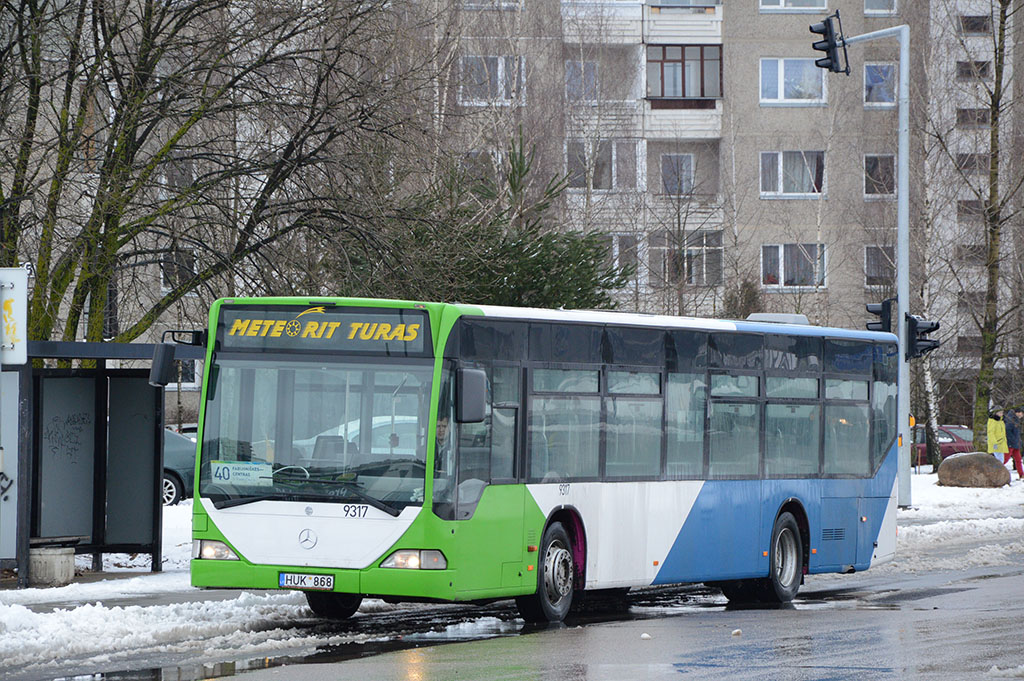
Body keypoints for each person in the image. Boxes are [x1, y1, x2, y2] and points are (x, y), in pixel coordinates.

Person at [1004, 408, 1024, 480]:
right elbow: (1008, 431)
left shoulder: (1015, 420)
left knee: (1018, 459)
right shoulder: (1011, 420)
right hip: (1010, 443)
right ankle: (996, 470)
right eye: (1022, 413)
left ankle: (1021, 474)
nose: (1022, 415)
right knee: (1005, 459)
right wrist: (1013, 440)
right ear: (1018, 413)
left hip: (1015, 443)